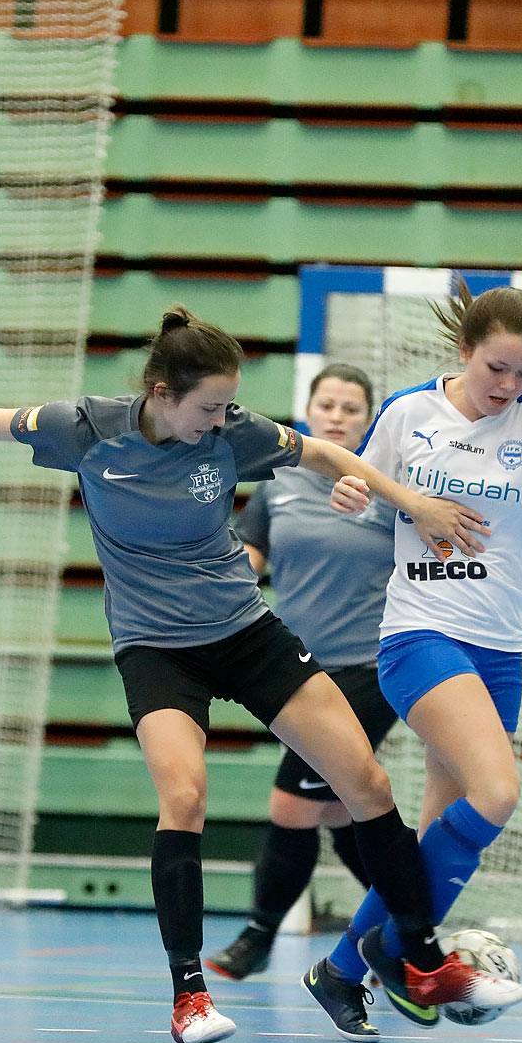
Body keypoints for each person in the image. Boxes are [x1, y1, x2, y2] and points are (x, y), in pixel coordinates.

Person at [0, 306, 522, 1043]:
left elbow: (321, 455)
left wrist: (409, 500)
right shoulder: (87, 429)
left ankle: (421, 963)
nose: (223, 421)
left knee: (370, 787)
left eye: (229, 406)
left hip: (245, 632)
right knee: (184, 796)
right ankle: (190, 997)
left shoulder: (234, 432)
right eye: (208, 407)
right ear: (160, 393)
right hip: (157, 648)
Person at [311, 280, 522, 1032]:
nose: (511, 385)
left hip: (498, 653)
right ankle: (404, 956)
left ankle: (343, 971)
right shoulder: (408, 413)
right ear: (465, 352)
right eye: (498, 368)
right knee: (495, 794)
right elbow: (357, 475)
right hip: (421, 635)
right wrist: (353, 496)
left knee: (442, 833)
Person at [205, 363, 395, 982]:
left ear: (368, 420)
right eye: (328, 404)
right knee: (343, 814)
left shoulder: (383, 489)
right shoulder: (278, 486)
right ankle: (414, 919)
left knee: (292, 802)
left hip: (371, 669)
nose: (337, 415)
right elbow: (248, 562)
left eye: (351, 407)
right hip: (297, 674)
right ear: (308, 412)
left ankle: (258, 938)